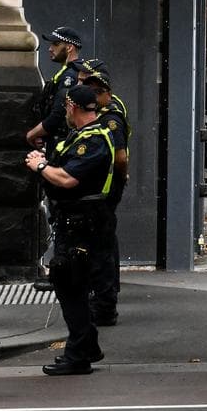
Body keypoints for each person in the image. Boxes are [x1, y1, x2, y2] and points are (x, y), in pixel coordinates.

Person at [25, 85, 114, 375]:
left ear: (73, 107)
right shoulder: (79, 137)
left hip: (83, 225)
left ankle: (80, 353)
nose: (65, 112)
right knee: (69, 284)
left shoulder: (94, 140)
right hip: (73, 222)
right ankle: (85, 347)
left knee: (71, 285)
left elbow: (67, 178)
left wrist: (40, 167)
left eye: (66, 107)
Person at [77, 59, 131, 326]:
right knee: (102, 244)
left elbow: (120, 158)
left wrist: (119, 179)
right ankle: (102, 299)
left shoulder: (110, 117)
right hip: (102, 189)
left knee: (102, 247)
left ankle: (105, 304)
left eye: (89, 86)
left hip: (104, 190)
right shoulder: (107, 110)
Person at [25, 26, 85, 153]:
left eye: (56, 44)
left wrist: (32, 134)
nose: (50, 48)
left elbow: (57, 115)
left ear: (69, 48)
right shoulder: (67, 72)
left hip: (63, 143)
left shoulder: (71, 75)